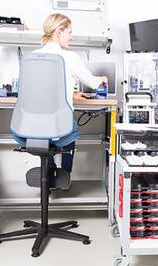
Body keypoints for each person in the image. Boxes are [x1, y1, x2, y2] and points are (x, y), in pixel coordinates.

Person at [34, 13, 107, 177]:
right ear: (59, 32)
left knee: (44, 137)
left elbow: (42, 89)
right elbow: (93, 83)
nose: (71, 37)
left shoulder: (32, 56)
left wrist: (71, 94)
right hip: (61, 123)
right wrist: (102, 79)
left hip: (34, 124)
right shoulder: (70, 57)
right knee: (70, 127)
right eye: (69, 32)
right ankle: (65, 175)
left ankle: (49, 172)